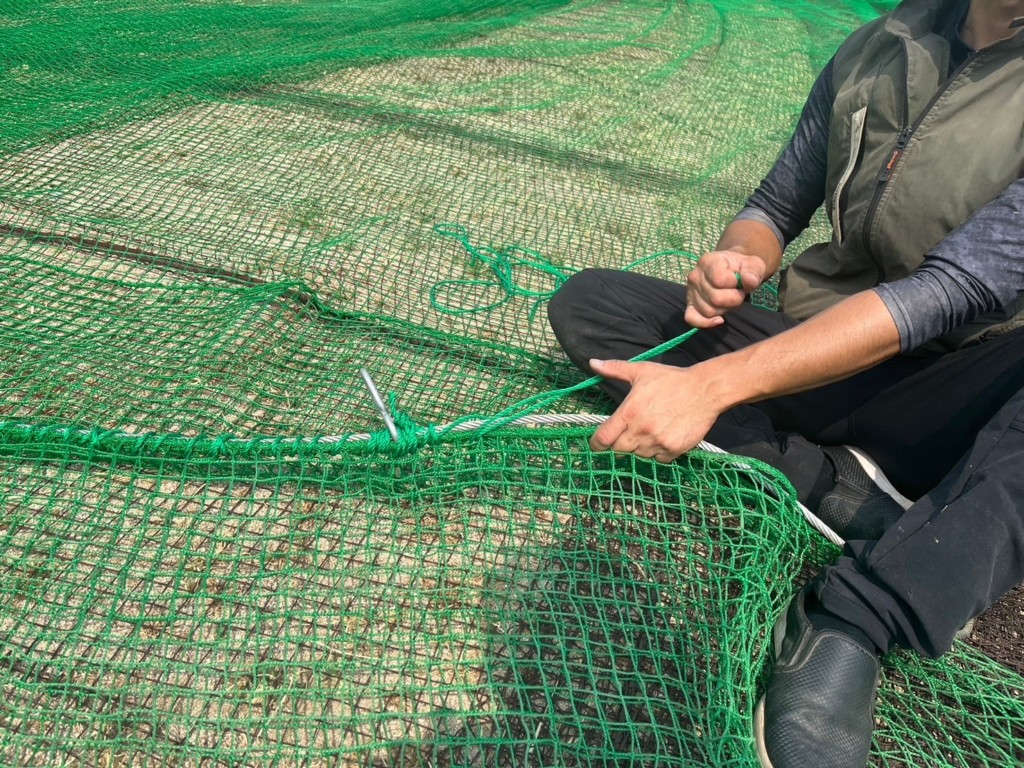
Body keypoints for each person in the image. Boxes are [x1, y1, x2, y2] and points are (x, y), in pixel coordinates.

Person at [547, 1, 1024, 766]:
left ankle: (859, 618)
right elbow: (773, 206)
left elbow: (955, 290)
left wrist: (714, 386)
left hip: (955, 393)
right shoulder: (878, 44)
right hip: (819, 351)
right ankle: (832, 486)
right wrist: (738, 259)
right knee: (596, 307)